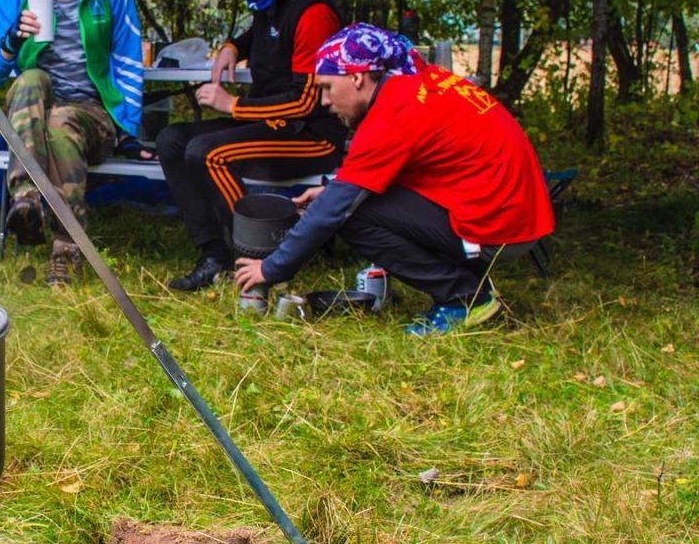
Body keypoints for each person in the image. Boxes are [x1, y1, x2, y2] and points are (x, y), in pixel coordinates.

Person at [234, 23, 555, 336]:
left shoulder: (392, 112)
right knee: (352, 201)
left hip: (499, 226)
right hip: (515, 212)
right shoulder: (416, 84)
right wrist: (331, 191)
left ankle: (464, 297)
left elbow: (335, 210)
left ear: (357, 77)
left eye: (328, 87)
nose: (325, 102)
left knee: (351, 218)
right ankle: (467, 281)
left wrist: (271, 268)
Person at [157, 0, 346, 292]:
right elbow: (262, 32)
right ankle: (214, 255)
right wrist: (232, 46)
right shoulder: (271, 0)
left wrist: (234, 106)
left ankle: (262, 258)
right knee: (171, 140)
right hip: (273, 123)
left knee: (209, 153)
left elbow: (307, 101)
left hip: (311, 134)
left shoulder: (312, 12)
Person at [0, 0, 145, 286]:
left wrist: (129, 130)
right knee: (31, 79)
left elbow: (130, 62)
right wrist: (13, 42)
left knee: (63, 121)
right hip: (35, 112)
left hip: (95, 113)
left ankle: (59, 242)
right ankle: (28, 204)